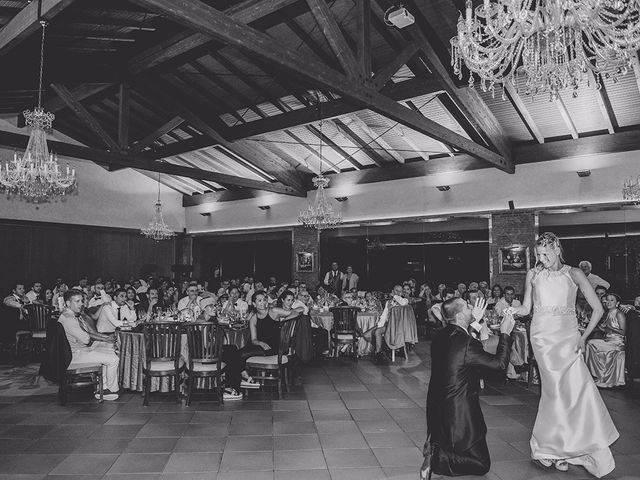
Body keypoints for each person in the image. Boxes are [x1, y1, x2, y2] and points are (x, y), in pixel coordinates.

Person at [505, 232, 618, 477]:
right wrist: (511, 312)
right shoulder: (533, 274)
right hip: (542, 338)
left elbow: (597, 309)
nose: (541, 258)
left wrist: (583, 336)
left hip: (568, 338)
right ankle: (552, 449)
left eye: (545, 253)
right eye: (538, 254)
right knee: (554, 391)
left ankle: (565, 449)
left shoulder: (574, 273)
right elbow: (526, 308)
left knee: (575, 391)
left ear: (557, 248)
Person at [420, 297, 514, 479]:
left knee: (470, 453)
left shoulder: (441, 335)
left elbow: (461, 343)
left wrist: (475, 321)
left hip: (439, 409)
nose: (472, 307)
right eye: (468, 306)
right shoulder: (466, 343)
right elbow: (499, 367)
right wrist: (505, 334)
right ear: (461, 314)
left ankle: (437, 449)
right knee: (481, 464)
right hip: (459, 412)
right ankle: (436, 458)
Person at [57, 290, 120, 400]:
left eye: (81, 301)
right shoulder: (69, 319)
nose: (81, 303)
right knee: (113, 359)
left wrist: (103, 338)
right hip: (73, 355)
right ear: (67, 303)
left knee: (110, 351)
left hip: (77, 350)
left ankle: (104, 387)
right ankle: (109, 390)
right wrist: (98, 338)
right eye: (77, 301)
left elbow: (88, 333)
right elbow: (86, 339)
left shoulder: (71, 315)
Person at [585, 293, 626, 388]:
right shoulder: (608, 313)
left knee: (590, 343)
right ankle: (598, 375)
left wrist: (609, 327)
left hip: (617, 342)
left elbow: (623, 332)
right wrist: (598, 325)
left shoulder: (619, 313)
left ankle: (597, 375)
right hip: (608, 341)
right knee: (589, 343)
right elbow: (605, 330)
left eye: (612, 300)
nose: (608, 302)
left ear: (617, 303)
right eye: (607, 300)